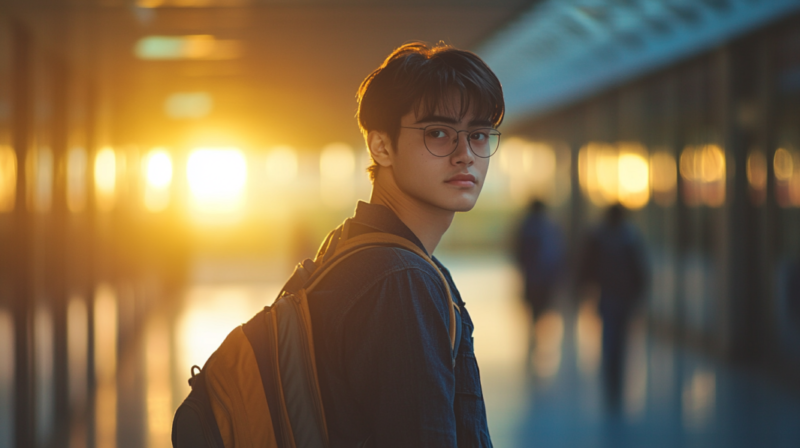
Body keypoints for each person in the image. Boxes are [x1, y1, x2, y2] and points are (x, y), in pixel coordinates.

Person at [306, 42, 503, 447]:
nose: (465, 154)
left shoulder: (350, 245)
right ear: (382, 146)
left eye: (479, 135)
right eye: (438, 133)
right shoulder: (400, 280)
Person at [578, 203, 648, 412]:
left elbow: (586, 266)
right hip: (623, 297)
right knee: (621, 339)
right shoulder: (630, 238)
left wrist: (583, 286)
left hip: (608, 296)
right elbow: (640, 271)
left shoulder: (599, 237)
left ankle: (611, 379)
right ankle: (616, 380)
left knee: (610, 337)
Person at [513, 200, 564, 370]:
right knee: (540, 309)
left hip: (532, 278)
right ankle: (536, 337)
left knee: (534, 311)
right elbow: (556, 254)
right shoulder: (549, 228)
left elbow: (519, 253)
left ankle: (533, 338)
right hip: (544, 278)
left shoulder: (526, 227)